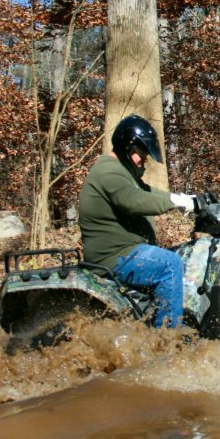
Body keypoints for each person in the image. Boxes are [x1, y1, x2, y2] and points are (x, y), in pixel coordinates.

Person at [78, 114, 196, 328]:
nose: (144, 161)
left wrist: (187, 200)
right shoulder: (108, 170)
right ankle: (169, 339)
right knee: (170, 264)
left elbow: (148, 191)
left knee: (180, 254)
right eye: (141, 155)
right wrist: (173, 201)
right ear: (127, 147)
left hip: (124, 252)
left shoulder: (122, 172)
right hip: (115, 257)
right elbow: (134, 201)